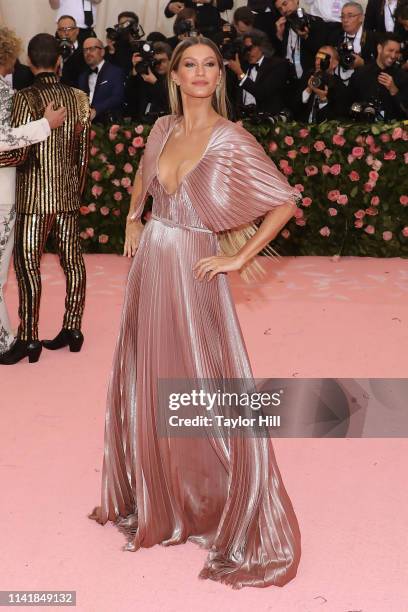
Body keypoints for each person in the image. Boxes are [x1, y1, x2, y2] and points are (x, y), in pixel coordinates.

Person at [89, 35, 301, 589]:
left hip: (195, 266)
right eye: (191, 65)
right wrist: (134, 217)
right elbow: (144, 176)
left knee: (207, 374)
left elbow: (284, 200)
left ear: (218, 76)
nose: (201, 73)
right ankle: (165, 492)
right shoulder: (162, 128)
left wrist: (238, 255)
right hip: (151, 267)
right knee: (152, 373)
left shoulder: (231, 139)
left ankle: (220, 490)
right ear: (176, 75)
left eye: (210, 65)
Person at [0, 33, 90, 365]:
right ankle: (73, 328)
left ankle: (29, 337)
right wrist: (75, 192)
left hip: (31, 199)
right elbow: (83, 157)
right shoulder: (79, 98)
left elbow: (17, 154)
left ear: (29, 59)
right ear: (58, 60)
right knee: (73, 263)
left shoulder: (22, 99)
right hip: (66, 197)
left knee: (27, 267)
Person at [0, 27, 66, 354]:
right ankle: (5, 342)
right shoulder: (3, 92)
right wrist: (45, 125)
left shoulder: (12, 93)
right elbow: (3, 140)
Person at [227, 29, 293, 117]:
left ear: (262, 47)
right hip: (242, 119)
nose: (248, 53)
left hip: (266, 119)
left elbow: (263, 93)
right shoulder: (242, 66)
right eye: (245, 49)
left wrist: (241, 74)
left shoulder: (278, 65)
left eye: (251, 48)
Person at [349, 32, 408, 119]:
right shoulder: (360, 74)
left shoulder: (402, 76)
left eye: (397, 52)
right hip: (363, 128)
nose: (393, 56)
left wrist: (394, 91)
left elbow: (405, 111)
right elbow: (349, 105)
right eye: (390, 50)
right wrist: (362, 110)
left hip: (393, 129)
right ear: (380, 48)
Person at [274, 0, 328, 78]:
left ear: (296, 1)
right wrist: (280, 36)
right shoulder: (283, 26)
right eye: (280, 9)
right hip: (289, 79)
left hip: (310, 78)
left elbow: (322, 54)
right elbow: (279, 57)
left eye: (285, 4)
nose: (284, 10)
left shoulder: (315, 22)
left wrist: (306, 37)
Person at [293, 45, 350, 120]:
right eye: (316, 59)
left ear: (334, 63)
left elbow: (335, 121)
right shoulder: (307, 77)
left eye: (323, 59)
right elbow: (294, 109)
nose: (317, 63)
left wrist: (323, 99)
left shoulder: (339, 87)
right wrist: (308, 90)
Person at [329, 2, 377, 85]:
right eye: (343, 16)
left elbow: (380, 65)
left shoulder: (372, 38)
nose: (345, 20)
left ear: (361, 18)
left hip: (362, 84)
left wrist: (363, 63)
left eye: (350, 16)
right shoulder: (335, 36)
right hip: (336, 84)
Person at [78, 37, 125, 124]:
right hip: (87, 126)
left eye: (92, 49)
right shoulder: (82, 76)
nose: (88, 53)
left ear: (102, 52)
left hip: (108, 124)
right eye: (85, 50)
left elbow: (117, 98)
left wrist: (96, 110)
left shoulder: (115, 72)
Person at [124, 41, 171, 123]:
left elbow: (171, 102)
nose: (159, 64)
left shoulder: (176, 78)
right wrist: (135, 70)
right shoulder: (146, 76)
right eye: (155, 61)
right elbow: (129, 98)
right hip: (142, 123)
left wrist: (155, 83)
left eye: (163, 61)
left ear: (171, 61)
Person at [57, 15, 87, 88]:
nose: (66, 33)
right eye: (62, 29)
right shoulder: (53, 52)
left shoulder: (86, 51)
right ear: (58, 32)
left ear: (77, 31)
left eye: (70, 29)